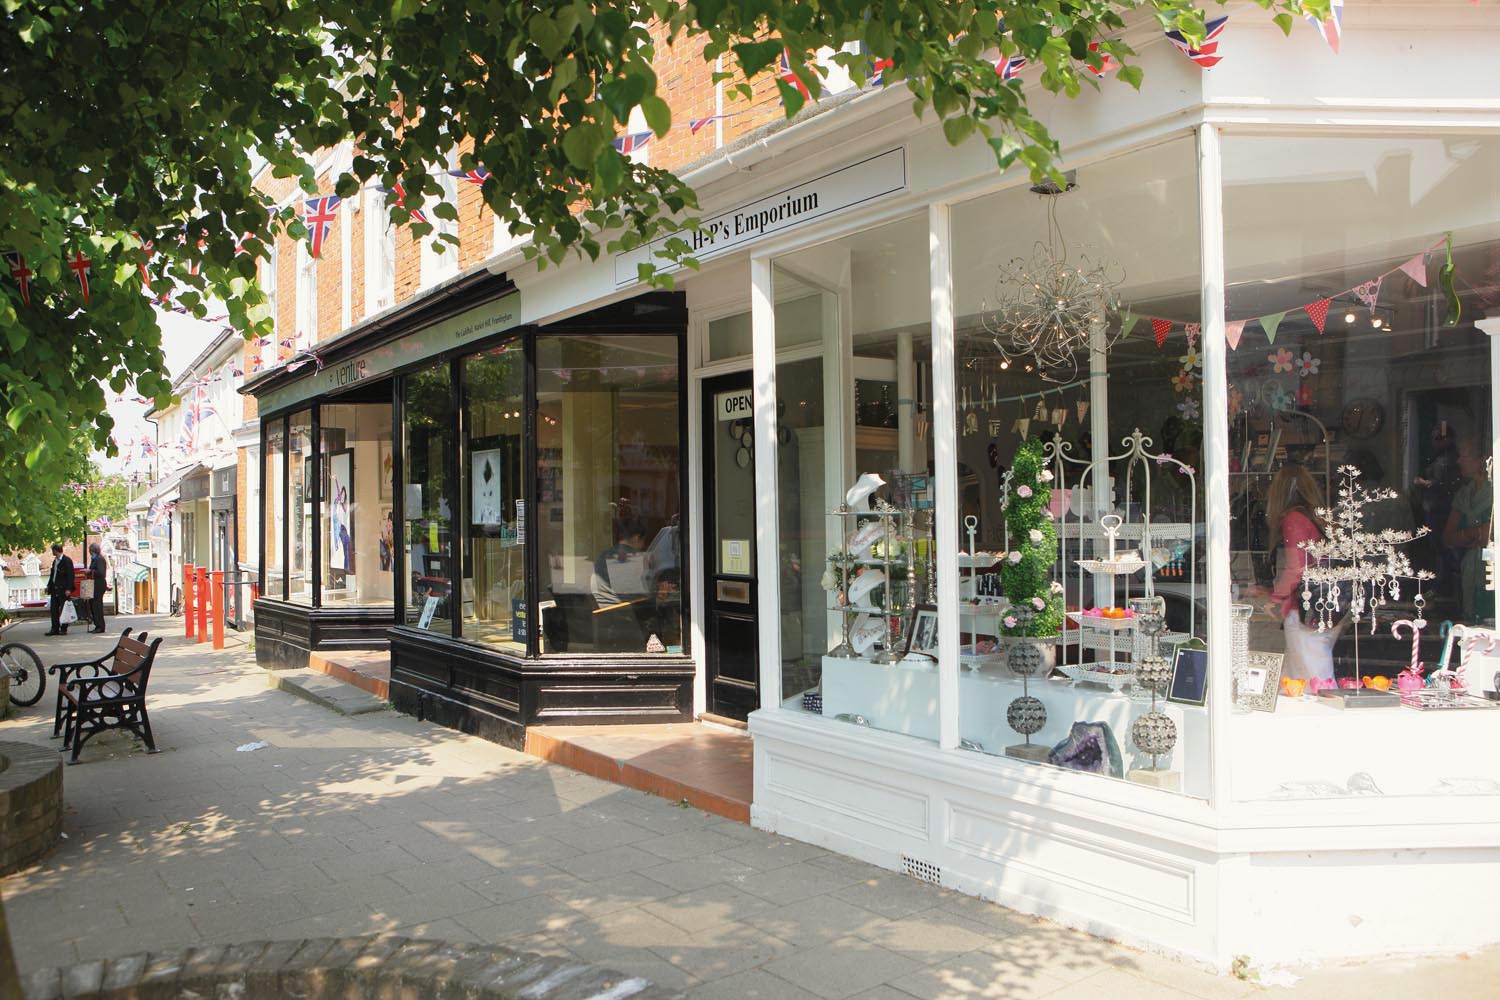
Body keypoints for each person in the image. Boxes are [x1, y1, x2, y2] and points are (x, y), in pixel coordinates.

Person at [1248, 463, 1333, 680]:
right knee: (1308, 667)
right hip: (1322, 604)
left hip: (1305, 607)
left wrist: (1275, 598)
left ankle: (1312, 709)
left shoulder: (1293, 519)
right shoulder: (1315, 518)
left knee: (1308, 671)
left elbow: (1297, 567)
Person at [1443, 436, 1494, 623]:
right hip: (1470, 567)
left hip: (1492, 566)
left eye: (1464, 456)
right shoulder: (1464, 494)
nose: (1458, 461)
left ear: (1482, 460)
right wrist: (1473, 533)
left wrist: (1474, 534)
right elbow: (1448, 537)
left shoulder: (1495, 491)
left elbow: (1490, 534)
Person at [591, 518, 648, 608]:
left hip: (603, 607)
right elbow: (632, 594)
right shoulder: (631, 557)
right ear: (637, 538)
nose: (644, 546)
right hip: (621, 611)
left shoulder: (605, 554)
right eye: (644, 541)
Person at [44, 543, 76, 636]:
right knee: (54, 609)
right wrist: (49, 586)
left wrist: (69, 589)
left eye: (53, 550)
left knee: (64, 609)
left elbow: (70, 575)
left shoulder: (66, 560)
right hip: (54, 588)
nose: (52, 552)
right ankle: (54, 628)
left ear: (56, 550)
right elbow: (53, 575)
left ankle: (64, 628)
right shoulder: (55, 561)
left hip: (63, 589)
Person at [86, 542, 109, 634]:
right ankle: (97, 625)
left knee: (97, 606)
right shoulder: (95, 559)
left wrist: (90, 571)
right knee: (93, 605)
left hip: (98, 585)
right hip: (94, 585)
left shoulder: (99, 559)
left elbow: (101, 572)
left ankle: (100, 626)